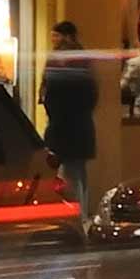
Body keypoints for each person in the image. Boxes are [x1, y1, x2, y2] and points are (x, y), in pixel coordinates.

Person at [39, 21, 99, 209]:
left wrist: (52, 112)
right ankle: (81, 214)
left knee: (61, 174)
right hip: (80, 126)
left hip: (61, 126)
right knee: (78, 173)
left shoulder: (58, 60)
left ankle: (70, 214)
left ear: (66, 36)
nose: (53, 40)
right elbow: (92, 94)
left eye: (56, 36)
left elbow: (49, 93)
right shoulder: (84, 61)